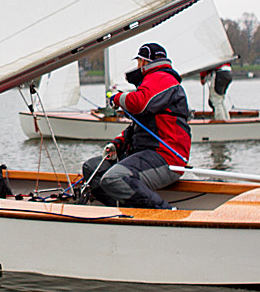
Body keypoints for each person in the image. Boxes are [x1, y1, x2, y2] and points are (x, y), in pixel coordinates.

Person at [81, 42, 190, 209]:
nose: (137, 66)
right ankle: (119, 210)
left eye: (138, 61)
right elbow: (139, 125)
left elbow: (139, 103)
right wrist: (118, 143)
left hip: (165, 157)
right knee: (92, 168)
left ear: (145, 62)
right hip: (143, 153)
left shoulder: (163, 78)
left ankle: (165, 211)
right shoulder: (153, 81)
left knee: (114, 178)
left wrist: (116, 99)